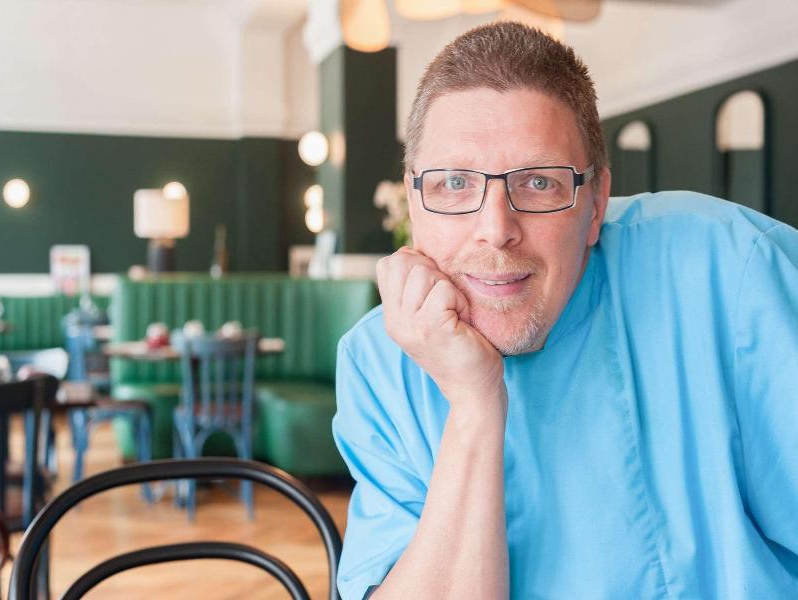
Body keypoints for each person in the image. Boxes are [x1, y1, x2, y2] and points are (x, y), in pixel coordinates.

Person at [332, 21, 798, 600]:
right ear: (414, 201)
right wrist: (475, 405)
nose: (495, 229)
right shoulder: (378, 361)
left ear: (596, 204)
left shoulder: (729, 272)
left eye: (538, 182)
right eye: (454, 182)